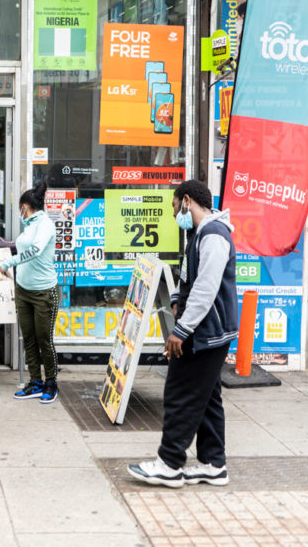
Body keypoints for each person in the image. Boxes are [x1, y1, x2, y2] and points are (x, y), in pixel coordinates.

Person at [128, 179, 238, 488]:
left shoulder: (214, 235)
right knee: (207, 397)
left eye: (175, 207)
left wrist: (180, 331)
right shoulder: (198, 233)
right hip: (207, 331)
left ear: (187, 201)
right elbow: (189, 278)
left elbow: (205, 289)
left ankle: (169, 463)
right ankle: (213, 463)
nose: (175, 214)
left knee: (180, 394)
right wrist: (176, 299)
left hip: (205, 333)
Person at [0, 181, 59, 404]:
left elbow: (35, 250)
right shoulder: (30, 224)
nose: (19, 212)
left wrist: (9, 262)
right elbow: (24, 246)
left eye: (20, 208)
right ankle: (35, 381)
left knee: (45, 339)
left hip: (44, 291)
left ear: (25, 206)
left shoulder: (45, 225)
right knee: (30, 339)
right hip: (24, 290)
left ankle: (51, 382)